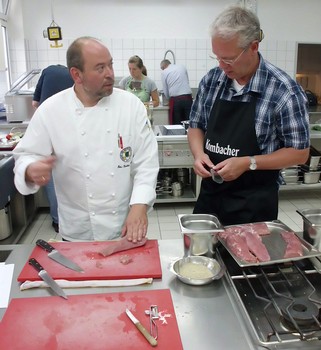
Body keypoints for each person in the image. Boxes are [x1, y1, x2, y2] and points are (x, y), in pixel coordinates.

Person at [13, 36, 159, 242]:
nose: (110, 74)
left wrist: (140, 205)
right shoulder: (51, 110)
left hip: (124, 228)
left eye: (110, 65)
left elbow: (146, 163)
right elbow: (25, 156)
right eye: (100, 68)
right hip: (76, 230)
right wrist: (29, 170)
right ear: (77, 75)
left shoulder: (130, 105)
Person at [188, 5, 310, 226]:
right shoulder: (212, 80)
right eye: (217, 57)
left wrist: (248, 162)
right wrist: (198, 154)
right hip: (210, 197)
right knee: (203, 258)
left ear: (253, 47)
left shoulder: (283, 90)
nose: (221, 66)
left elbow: (300, 153)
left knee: (251, 259)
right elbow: (196, 125)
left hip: (254, 204)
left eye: (229, 59)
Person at [32, 64, 74, 233]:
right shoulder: (71, 77)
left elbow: (35, 102)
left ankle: (57, 220)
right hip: (69, 126)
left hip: (48, 127)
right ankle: (65, 218)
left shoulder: (46, 72)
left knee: (49, 170)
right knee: (65, 168)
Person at [160, 59, 193, 125]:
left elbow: (166, 91)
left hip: (176, 100)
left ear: (163, 67)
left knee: (177, 125)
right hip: (188, 98)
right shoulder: (182, 67)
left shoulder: (164, 72)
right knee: (190, 123)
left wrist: (167, 98)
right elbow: (187, 82)